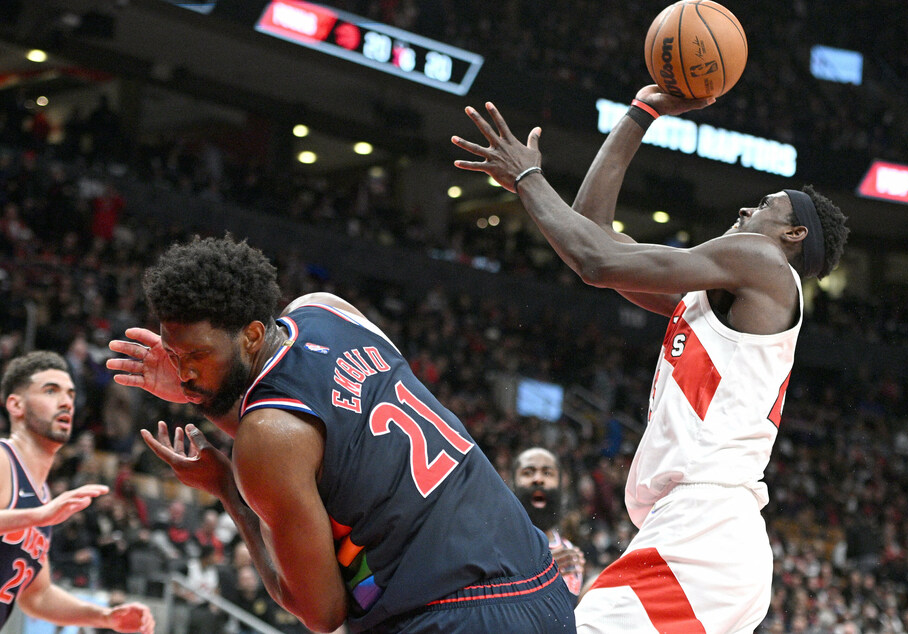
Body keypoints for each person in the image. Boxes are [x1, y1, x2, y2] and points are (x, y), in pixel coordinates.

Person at [452, 86, 849, 633]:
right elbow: (594, 236)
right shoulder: (718, 302)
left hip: (703, 533)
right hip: (699, 536)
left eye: (763, 207)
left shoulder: (762, 262)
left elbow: (595, 258)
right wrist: (641, 114)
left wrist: (528, 179)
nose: (745, 208)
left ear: (793, 234)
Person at [107, 235, 575, 633]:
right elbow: (319, 425)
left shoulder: (267, 439)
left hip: (448, 616)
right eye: (172, 351)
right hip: (542, 587)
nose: (183, 370)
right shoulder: (327, 311)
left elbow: (321, 613)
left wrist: (226, 487)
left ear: (250, 335)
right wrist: (201, 394)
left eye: (197, 355)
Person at [0, 350, 155, 633]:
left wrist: (105, 617)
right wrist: (38, 516)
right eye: (51, 391)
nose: (66, 402)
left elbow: (38, 595)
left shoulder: (42, 495)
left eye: (71, 394)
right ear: (16, 405)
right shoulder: (2, 460)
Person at [512, 447, 586, 597]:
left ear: (560, 484)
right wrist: (544, 574)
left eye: (547, 473)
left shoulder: (568, 551)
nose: (538, 479)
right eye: (528, 472)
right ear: (513, 483)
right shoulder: (496, 543)